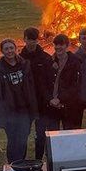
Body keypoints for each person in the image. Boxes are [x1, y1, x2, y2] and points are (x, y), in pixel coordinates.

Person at [0, 39, 38, 163]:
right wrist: (1, 115)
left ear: (16, 49)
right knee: (13, 140)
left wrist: (33, 109)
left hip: (24, 109)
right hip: (10, 111)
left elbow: (31, 86)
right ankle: (13, 164)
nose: (9, 51)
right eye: (6, 49)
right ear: (2, 51)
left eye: (11, 48)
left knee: (23, 138)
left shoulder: (24, 64)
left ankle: (21, 163)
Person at [19, 27, 53, 158]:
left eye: (34, 40)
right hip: (26, 103)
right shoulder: (19, 59)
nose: (32, 43)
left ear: (38, 40)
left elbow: (50, 80)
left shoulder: (45, 58)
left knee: (41, 133)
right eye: (29, 40)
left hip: (42, 102)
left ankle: (38, 159)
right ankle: (20, 160)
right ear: (24, 40)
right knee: (23, 133)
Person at [46, 34, 81, 131]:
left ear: (67, 45)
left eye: (61, 44)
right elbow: (44, 84)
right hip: (52, 105)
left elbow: (75, 85)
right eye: (56, 44)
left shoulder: (74, 62)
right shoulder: (49, 61)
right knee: (52, 134)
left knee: (70, 134)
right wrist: (50, 99)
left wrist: (60, 99)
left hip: (68, 105)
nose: (58, 47)